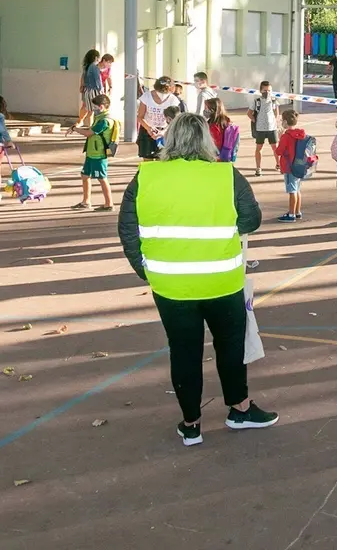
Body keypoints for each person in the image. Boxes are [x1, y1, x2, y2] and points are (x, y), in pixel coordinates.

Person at [117, 113, 274, 447]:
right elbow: (251, 219)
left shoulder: (145, 176)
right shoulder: (226, 175)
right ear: (207, 140)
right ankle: (239, 409)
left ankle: (191, 425)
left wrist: (147, 271)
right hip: (222, 282)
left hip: (171, 287)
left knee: (184, 352)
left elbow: (128, 231)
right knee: (230, 346)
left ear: (170, 139)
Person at [66, 94, 116, 211]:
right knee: (85, 175)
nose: (93, 110)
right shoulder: (100, 118)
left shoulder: (105, 121)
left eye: (95, 107)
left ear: (101, 106)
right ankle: (86, 201)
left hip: (99, 154)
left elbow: (89, 133)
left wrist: (75, 129)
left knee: (102, 178)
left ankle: (109, 204)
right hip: (91, 152)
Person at [274, 108, 310, 223]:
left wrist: (279, 139)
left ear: (285, 122)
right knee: (297, 189)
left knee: (292, 191)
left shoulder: (286, 136)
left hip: (289, 167)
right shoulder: (300, 134)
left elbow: (279, 151)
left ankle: (291, 214)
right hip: (299, 165)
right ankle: (297, 211)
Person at [247, 81, 288, 176]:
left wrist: (275, 122)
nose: (267, 93)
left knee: (275, 147)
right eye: (265, 90)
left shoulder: (274, 101)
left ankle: (279, 164)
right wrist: (254, 120)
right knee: (259, 148)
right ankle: (258, 168)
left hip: (272, 128)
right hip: (260, 129)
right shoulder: (256, 101)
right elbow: (249, 113)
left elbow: (276, 113)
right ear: (260, 91)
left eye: (269, 90)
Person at [137, 76, 178, 161]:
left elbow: (174, 120)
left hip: (165, 131)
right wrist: (149, 128)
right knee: (147, 160)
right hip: (147, 130)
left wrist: (163, 132)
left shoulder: (173, 99)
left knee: (162, 160)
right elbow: (140, 117)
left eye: (166, 91)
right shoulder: (146, 96)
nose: (162, 94)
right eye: (160, 91)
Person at [204, 97, 237, 162]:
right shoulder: (227, 121)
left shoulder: (213, 126)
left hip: (216, 158)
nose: (204, 111)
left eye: (206, 108)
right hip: (226, 155)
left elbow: (216, 145)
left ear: (212, 110)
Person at [76, 49, 103, 128]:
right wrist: (101, 90)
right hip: (94, 91)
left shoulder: (86, 67)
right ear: (96, 57)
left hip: (87, 90)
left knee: (90, 110)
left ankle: (89, 126)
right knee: (97, 110)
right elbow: (98, 80)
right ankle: (94, 127)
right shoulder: (94, 67)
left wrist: (82, 86)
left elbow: (83, 77)